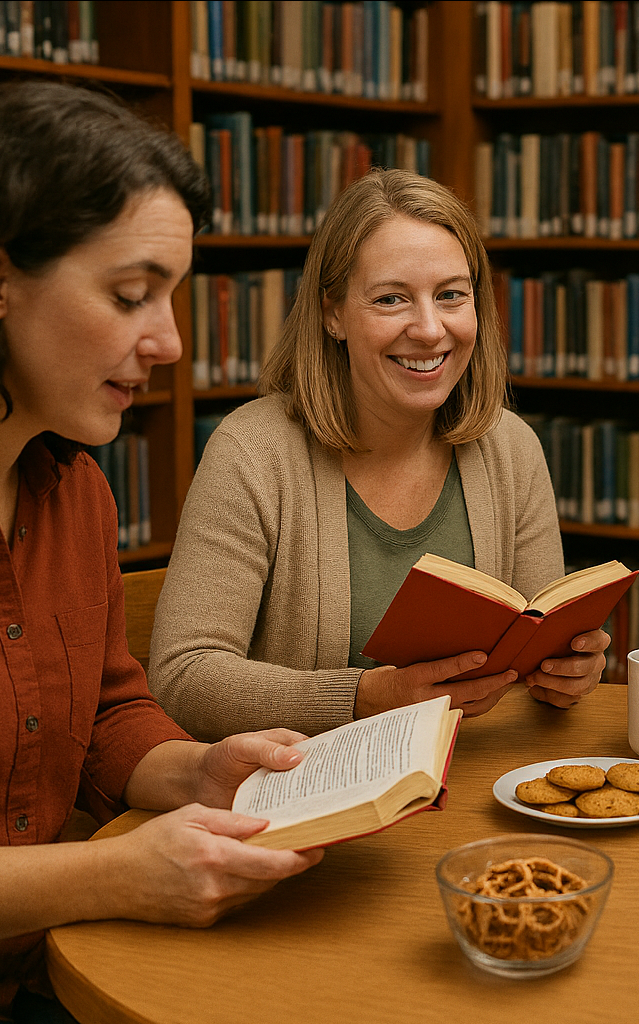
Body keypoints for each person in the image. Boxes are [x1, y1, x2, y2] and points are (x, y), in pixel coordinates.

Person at [0, 81, 323, 1023]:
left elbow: (104, 712)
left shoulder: (77, 495)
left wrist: (199, 769)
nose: (172, 341)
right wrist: (111, 874)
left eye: (173, 298)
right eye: (131, 295)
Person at [148, 169, 608, 742]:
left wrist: (567, 671)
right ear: (332, 313)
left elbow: (533, 643)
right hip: (306, 796)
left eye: (451, 296)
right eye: (391, 299)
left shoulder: (510, 448)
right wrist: (363, 697)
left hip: (472, 778)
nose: (429, 328)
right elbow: (182, 677)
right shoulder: (253, 452)